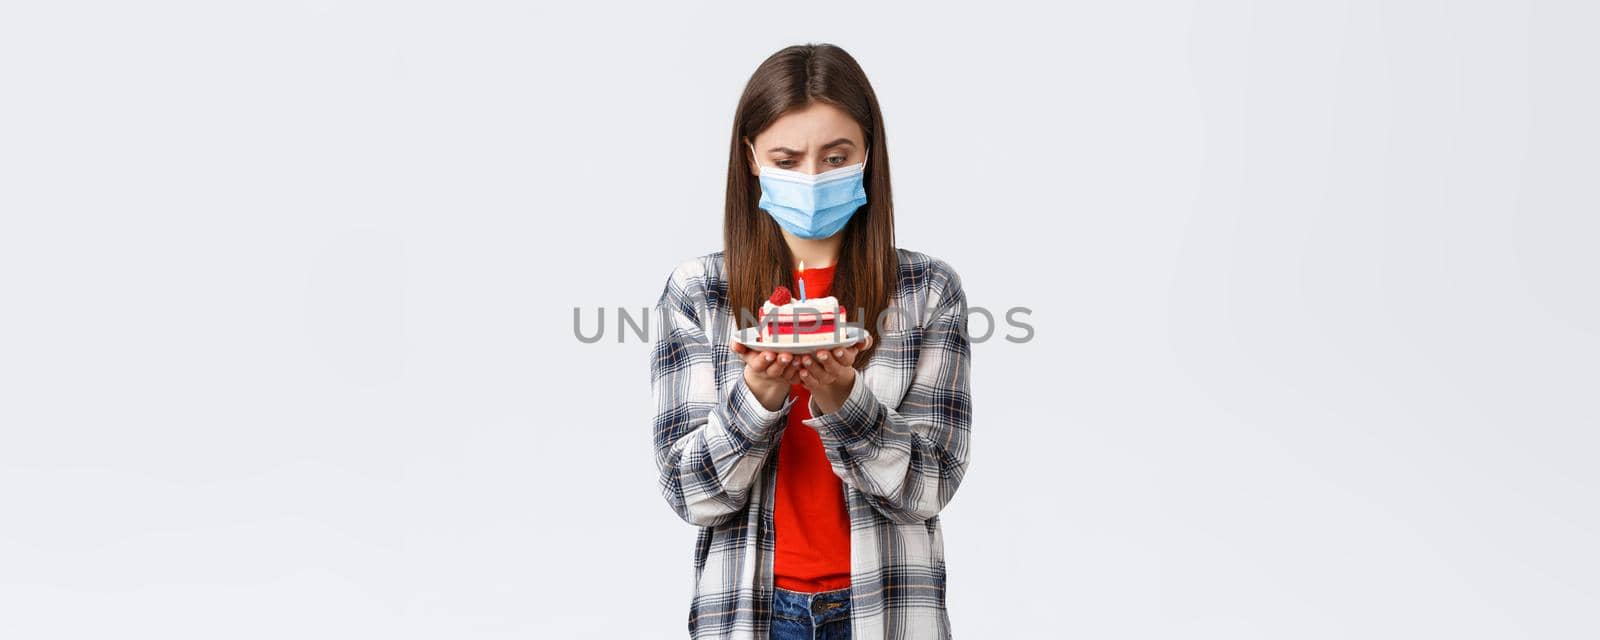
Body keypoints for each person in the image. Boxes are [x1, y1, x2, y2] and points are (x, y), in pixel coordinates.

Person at [650, 43, 972, 640]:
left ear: (868, 155)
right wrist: (760, 394)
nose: (812, 177)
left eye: (835, 156)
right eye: (787, 158)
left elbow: (931, 486)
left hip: (888, 607)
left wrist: (846, 401)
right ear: (751, 158)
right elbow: (690, 493)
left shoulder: (928, 291)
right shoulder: (699, 293)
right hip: (752, 610)